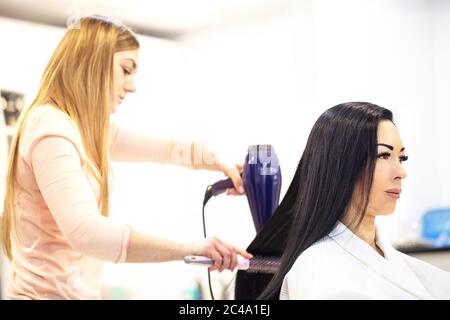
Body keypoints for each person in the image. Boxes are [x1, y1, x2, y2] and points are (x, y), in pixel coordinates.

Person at [0, 15, 252, 300]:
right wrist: (190, 249)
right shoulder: (51, 127)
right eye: (126, 69)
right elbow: (86, 233)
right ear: (93, 63)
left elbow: (167, 148)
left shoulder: (85, 130)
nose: (131, 86)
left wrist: (220, 161)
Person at [235, 102, 450, 300]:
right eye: (384, 155)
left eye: (402, 158)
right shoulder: (318, 272)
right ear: (342, 166)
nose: (401, 172)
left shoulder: (394, 261)